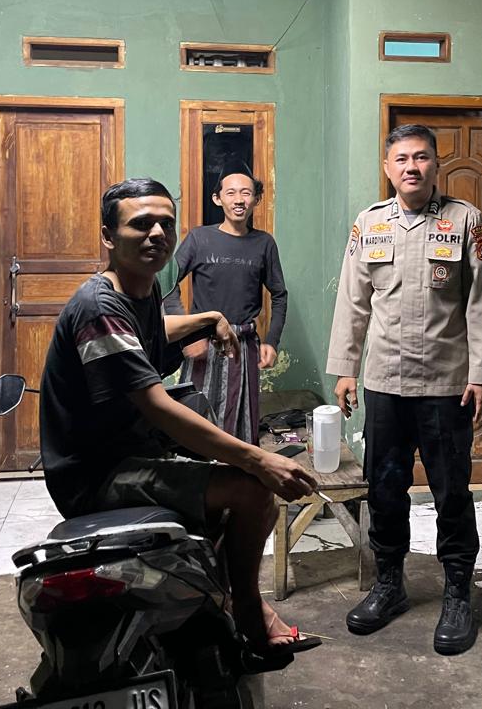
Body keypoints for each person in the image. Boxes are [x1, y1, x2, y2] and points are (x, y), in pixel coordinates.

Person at [39, 177, 319, 657]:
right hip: (97, 476)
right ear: (108, 236)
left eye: (165, 224)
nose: (156, 234)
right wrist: (258, 459)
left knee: (228, 484)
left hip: (131, 454)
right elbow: (156, 406)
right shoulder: (98, 308)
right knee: (253, 490)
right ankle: (249, 612)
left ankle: (214, 599)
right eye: (140, 224)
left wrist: (207, 319)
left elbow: (153, 330)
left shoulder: (140, 290)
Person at [326, 124, 482, 656]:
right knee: (384, 488)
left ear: (435, 165)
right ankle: (389, 584)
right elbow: (353, 299)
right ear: (387, 168)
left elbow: (481, 300)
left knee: (451, 491)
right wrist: (345, 368)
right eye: (401, 158)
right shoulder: (369, 223)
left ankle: (458, 594)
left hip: (447, 383)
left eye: (421, 157)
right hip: (383, 381)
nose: (411, 167)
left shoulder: (465, 220)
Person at [162, 167, 288, 443]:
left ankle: (239, 469)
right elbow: (165, 282)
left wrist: (272, 341)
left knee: (242, 423)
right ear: (217, 199)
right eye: (231, 193)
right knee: (195, 422)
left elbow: (279, 295)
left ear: (256, 200)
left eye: (246, 193)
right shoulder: (199, 238)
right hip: (202, 342)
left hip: (244, 345)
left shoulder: (264, 243)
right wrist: (185, 334)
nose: (239, 199)